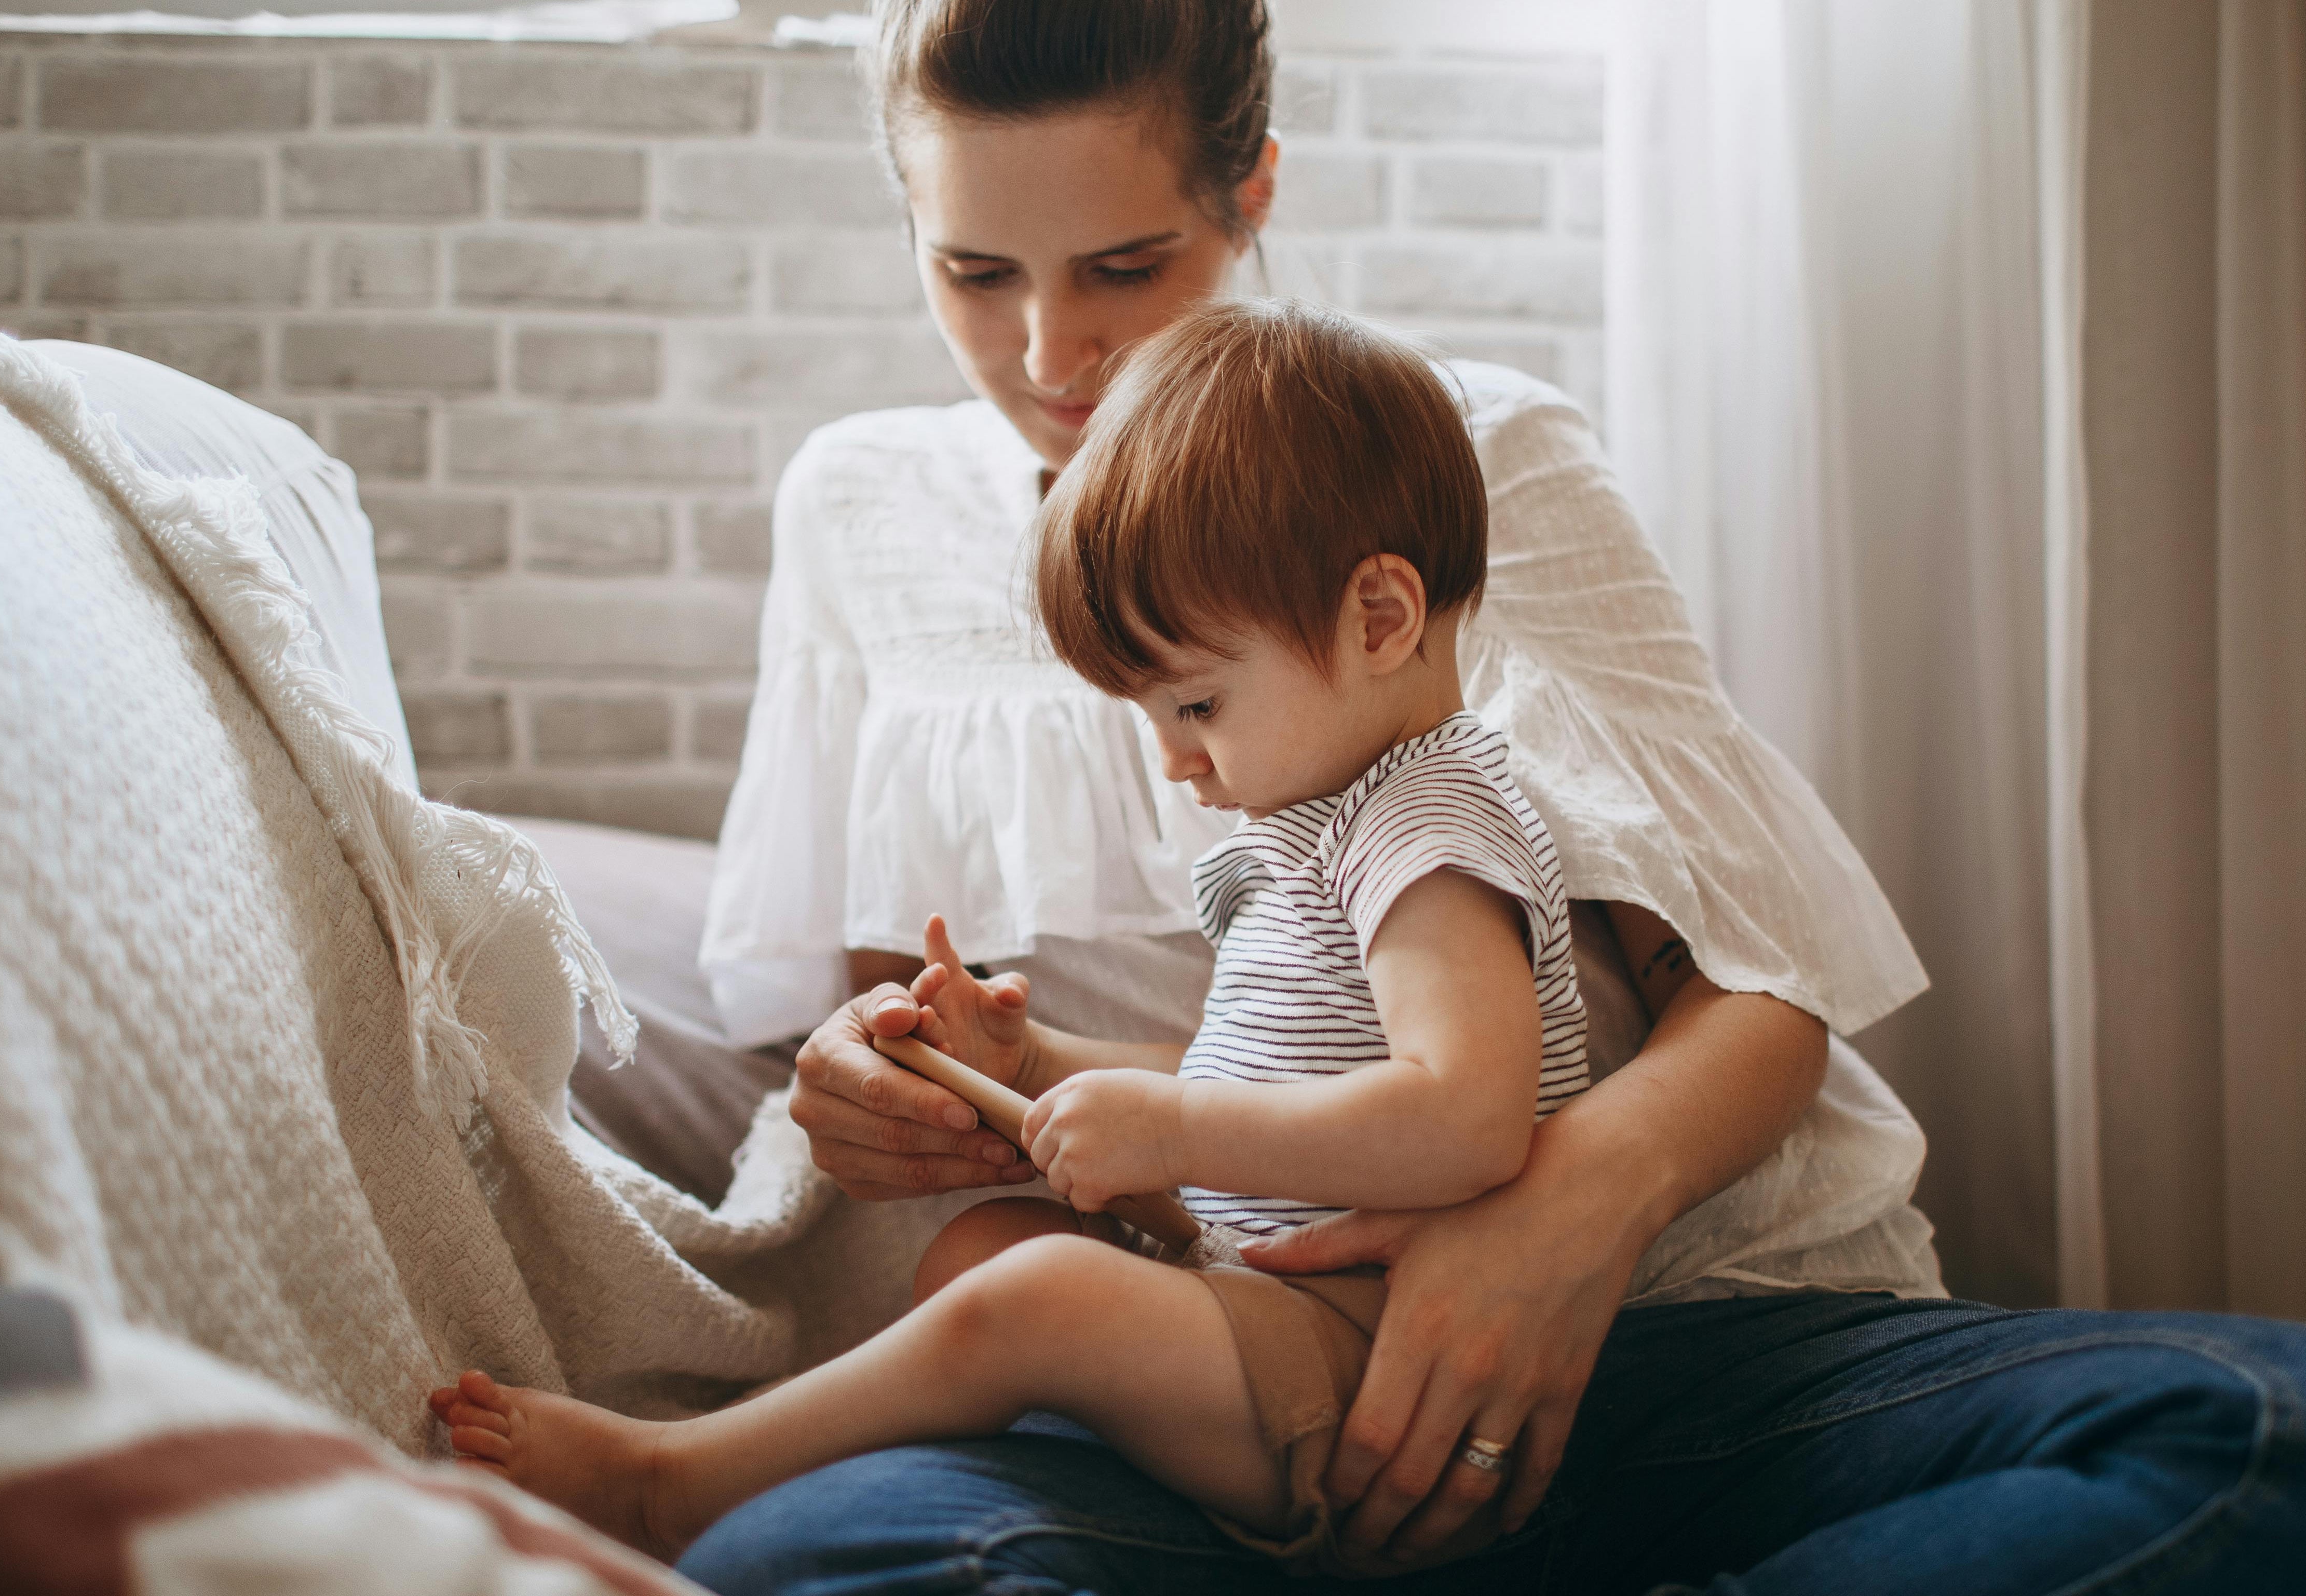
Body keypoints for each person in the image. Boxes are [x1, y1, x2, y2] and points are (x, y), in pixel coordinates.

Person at [682, 1, 2306, 1590]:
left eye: (1124, 268)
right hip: (1225, 1395)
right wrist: (893, 1077)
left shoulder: (1458, 457)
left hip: (1669, 1346)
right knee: (796, 1558)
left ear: (1250, 195)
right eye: (975, 274)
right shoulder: (859, 512)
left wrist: (1546, 1217)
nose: (1052, 356)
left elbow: (1771, 977)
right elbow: (900, 1021)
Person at [437, 299, 1603, 1570]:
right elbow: (1273, 1080)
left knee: (1037, 1301)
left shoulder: (1428, 832)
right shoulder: (1330, 818)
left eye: (1198, 704)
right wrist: (1039, 1061)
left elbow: (1468, 1115)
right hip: (1278, 1300)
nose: (1176, 759)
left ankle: (669, 1483)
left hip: (1378, 1365)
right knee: (984, 1253)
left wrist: (1176, 1132)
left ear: (1380, 618)